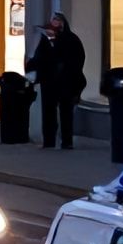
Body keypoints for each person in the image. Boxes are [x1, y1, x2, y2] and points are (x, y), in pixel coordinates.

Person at [28, 11, 87, 150]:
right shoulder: (45, 42)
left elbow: (77, 60)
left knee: (66, 112)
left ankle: (67, 141)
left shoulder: (71, 40)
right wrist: (31, 67)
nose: (49, 32)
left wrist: (67, 72)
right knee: (48, 112)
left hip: (66, 82)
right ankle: (49, 141)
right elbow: (39, 58)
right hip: (48, 83)